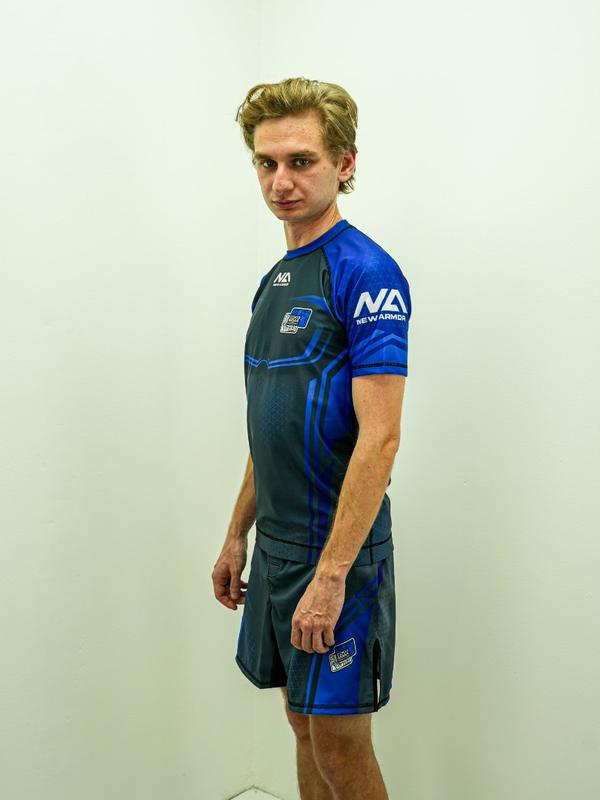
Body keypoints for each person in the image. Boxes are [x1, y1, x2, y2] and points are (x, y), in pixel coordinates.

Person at [212, 77, 412, 800]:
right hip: (277, 549)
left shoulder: (365, 272)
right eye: (267, 163)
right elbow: (272, 424)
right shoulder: (276, 280)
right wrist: (237, 534)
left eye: (301, 161)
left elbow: (381, 439)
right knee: (301, 724)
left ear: (344, 164)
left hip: (338, 558)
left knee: (340, 746)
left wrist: (331, 578)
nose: (281, 181)